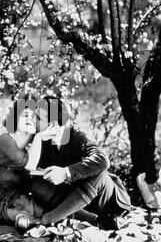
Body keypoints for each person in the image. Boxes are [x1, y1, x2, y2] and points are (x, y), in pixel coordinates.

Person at [25, 96, 133, 230]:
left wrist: (65, 173)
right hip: (75, 201)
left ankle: (44, 220)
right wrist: (38, 137)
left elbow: (103, 160)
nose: (34, 121)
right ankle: (96, 221)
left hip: (106, 201)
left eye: (39, 118)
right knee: (33, 183)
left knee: (99, 176)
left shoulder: (77, 136)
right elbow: (27, 170)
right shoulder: (42, 140)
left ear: (53, 124)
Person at [0, 98, 59, 227]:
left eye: (34, 117)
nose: (31, 119)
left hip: (10, 197)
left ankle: (94, 218)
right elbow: (29, 165)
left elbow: (32, 169)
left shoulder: (28, 151)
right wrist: (39, 137)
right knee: (25, 217)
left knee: (48, 208)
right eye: (25, 115)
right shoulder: (4, 140)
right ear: (15, 119)